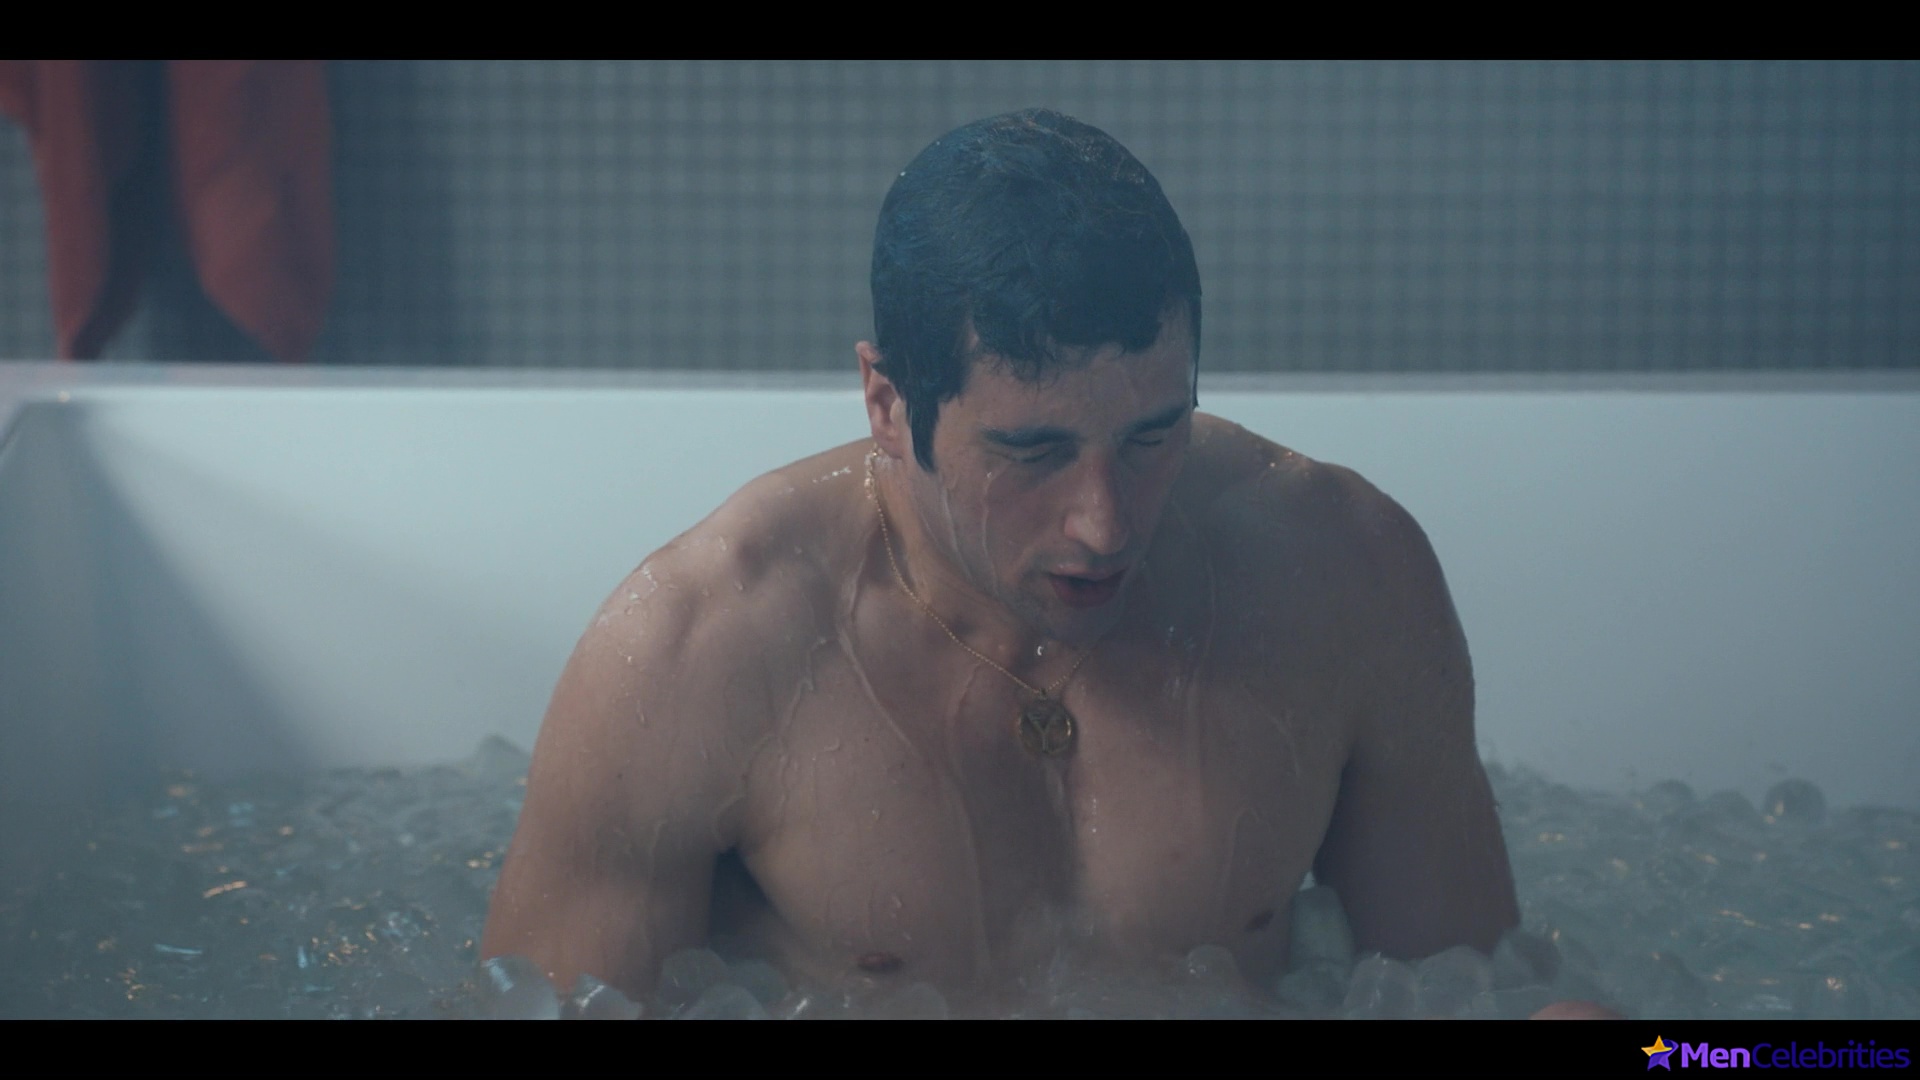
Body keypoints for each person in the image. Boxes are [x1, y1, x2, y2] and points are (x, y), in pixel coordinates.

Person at [480, 108, 1549, 1016]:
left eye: (1152, 436)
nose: (1105, 524)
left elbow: (1476, 994)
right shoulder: (700, 650)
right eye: (1032, 453)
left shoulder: (1344, 576)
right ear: (888, 404)